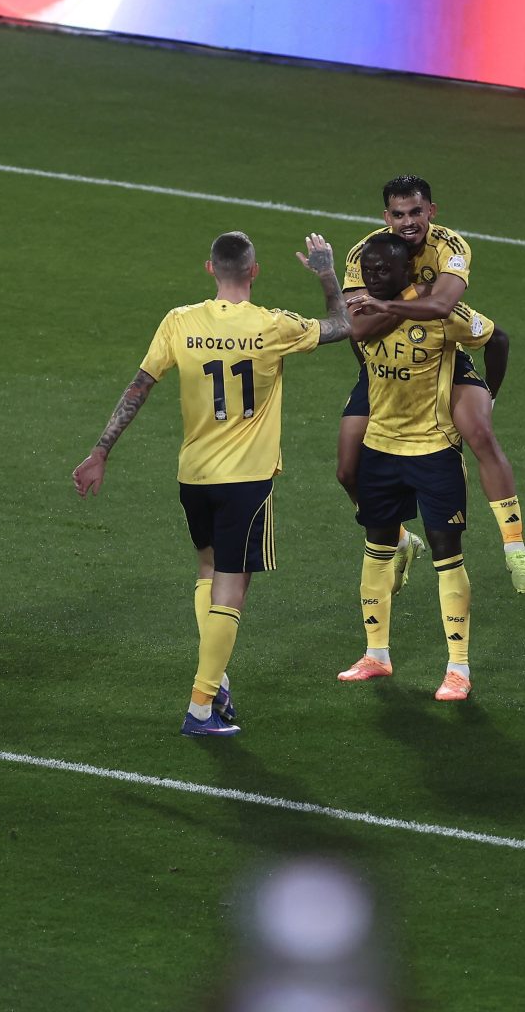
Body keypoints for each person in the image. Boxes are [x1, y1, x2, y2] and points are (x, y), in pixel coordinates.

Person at [73, 231, 351, 737]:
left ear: (209, 269)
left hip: (193, 475)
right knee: (232, 589)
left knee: (207, 571)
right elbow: (343, 325)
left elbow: (139, 387)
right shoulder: (273, 325)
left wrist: (100, 451)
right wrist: (327, 272)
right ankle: (201, 707)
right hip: (246, 480)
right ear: (254, 271)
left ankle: (217, 680)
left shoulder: (179, 322)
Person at [338, 175, 525, 594]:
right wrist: (414, 296)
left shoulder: (451, 246)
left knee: (480, 432)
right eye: (398, 214)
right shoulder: (367, 253)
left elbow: (443, 305)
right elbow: (357, 328)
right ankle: (401, 540)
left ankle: (514, 548)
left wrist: (390, 303)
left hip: (439, 350)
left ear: (431, 210)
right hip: (383, 364)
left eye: (416, 211)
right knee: (347, 468)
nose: (408, 221)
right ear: (385, 216)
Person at [340, 234, 502, 699]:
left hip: (434, 451)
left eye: (382, 270)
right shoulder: (364, 315)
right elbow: (356, 342)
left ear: (407, 270)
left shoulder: (441, 314)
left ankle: (459, 669)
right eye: (367, 270)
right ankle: (376, 655)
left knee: (446, 553)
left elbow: (497, 336)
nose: (372, 278)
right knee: (376, 546)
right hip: (380, 449)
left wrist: (488, 395)